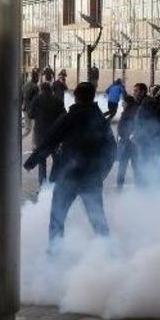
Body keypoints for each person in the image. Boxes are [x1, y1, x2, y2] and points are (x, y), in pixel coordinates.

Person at [23, 82, 116, 248]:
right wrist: (101, 173)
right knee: (97, 219)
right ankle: (110, 251)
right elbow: (111, 150)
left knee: (57, 218)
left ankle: (55, 253)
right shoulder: (100, 119)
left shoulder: (70, 117)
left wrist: (30, 163)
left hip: (68, 177)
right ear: (92, 97)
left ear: (76, 97)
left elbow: (49, 142)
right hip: (91, 179)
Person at [29, 82, 65, 186]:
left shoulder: (37, 99)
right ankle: (53, 181)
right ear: (50, 89)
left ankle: (43, 185)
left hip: (41, 135)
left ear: (41, 89)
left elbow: (31, 115)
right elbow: (64, 115)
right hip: (55, 135)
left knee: (42, 161)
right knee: (57, 160)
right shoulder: (58, 100)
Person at [116, 83, 147, 189]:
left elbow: (141, 123)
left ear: (143, 91)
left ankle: (140, 187)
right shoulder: (131, 106)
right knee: (122, 165)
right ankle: (119, 186)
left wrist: (133, 134)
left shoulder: (142, 105)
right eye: (133, 90)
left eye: (136, 90)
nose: (134, 92)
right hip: (125, 140)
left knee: (136, 165)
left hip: (133, 141)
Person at [21, 68, 40, 138]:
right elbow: (36, 99)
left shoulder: (26, 84)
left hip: (25, 108)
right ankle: (20, 139)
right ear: (36, 78)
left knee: (29, 128)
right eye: (38, 77)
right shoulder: (35, 87)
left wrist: (23, 105)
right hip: (31, 109)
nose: (38, 79)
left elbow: (22, 95)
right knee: (30, 128)